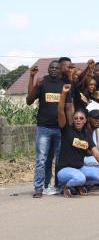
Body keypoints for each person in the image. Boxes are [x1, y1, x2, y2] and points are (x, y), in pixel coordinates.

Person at [55, 84, 99, 198]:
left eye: (81, 118)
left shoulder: (86, 134)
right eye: (76, 118)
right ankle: (66, 186)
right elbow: (60, 111)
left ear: (85, 121)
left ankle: (79, 185)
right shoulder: (67, 130)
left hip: (79, 168)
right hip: (64, 170)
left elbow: (95, 152)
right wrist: (64, 94)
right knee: (80, 178)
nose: (78, 120)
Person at [26, 61, 64, 196]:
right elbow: (29, 101)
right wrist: (35, 83)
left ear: (60, 70)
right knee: (41, 159)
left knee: (59, 159)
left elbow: (69, 107)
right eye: (51, 67)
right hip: (44, 128)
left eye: (56, 68)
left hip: (60, 129)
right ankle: (38, 187)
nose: (53, 70)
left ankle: (59, 185)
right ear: (48, 69)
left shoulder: (64, 85)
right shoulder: (42, 82)